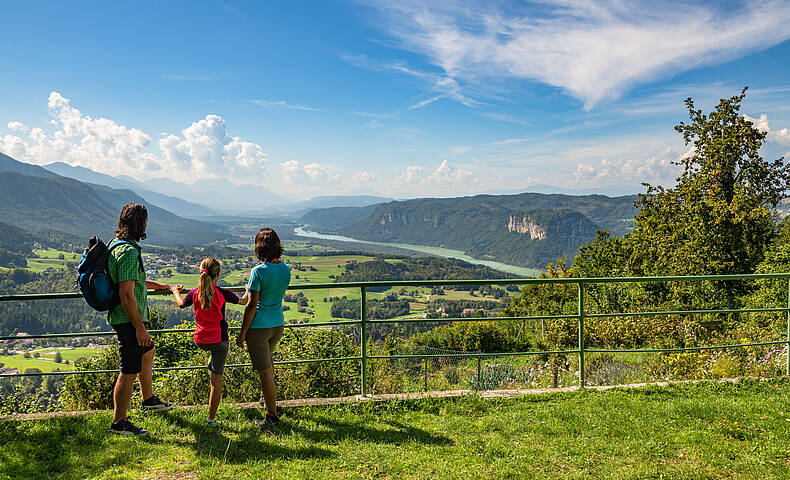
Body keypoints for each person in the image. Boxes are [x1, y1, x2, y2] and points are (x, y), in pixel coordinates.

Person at [108, 203, 174, 437]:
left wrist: (161, 286)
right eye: (146, 220)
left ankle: (148, 400)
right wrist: (139, 328)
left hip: (125, 317)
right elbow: (126, 293)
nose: (148, 224)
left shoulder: (116, 246)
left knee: (147, 352)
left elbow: (132, 282)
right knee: (128, 370)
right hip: (128, 319)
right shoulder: (128, 252)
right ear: (141, 223)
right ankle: (119, 423)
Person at [169, 257, 247, 425]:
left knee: (212, 354)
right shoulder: (221, 293)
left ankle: (211, 363)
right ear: (217, 275)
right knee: (216, 381)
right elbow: (244, 301)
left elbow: (181, 304)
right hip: (219, 341)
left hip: (201, 339)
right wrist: (247, 289)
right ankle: (211, 418)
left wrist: (175, 291)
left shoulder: (194, 292)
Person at [236, 228, 290, 426]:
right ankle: (267, 401)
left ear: (259, 248)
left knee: (265, 372)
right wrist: (251, 288)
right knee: (269, 366)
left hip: (259, 328)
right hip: (278, 324)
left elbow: (251, 306)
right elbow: (272, 291)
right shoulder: (286, 269)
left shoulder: (258, 271)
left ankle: (272, 417)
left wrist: (242, 333)